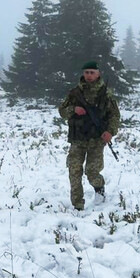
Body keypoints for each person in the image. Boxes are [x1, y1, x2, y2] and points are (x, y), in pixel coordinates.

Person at [57, 61, 121, 210]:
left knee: (92, 172)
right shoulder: (75, 93)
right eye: (86, 72)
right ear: (83, 73)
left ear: (98, 73)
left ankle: (100, 190)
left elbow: (114, 116)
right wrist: (74, 109)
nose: (89, 75)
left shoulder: (106, 93)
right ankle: (77, 204)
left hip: (96, 139)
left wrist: (110, 132)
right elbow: (62, 111)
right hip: (77, 138)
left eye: (92, 72)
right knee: (74, 170)